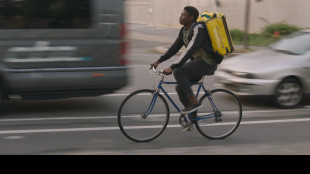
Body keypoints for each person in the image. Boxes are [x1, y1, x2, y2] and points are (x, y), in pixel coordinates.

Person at [150, 6, 220, 116]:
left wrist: (173, 67)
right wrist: (159, 61)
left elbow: (189, 50)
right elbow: (174, 48)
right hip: (197, 64)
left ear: (191, 18)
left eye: (183, 15)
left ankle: (194, 101)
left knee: (178, 71)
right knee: (180, 87)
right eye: (181, 14)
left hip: (207, 63)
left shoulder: (198, 29)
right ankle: (192, 117)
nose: (180, 17)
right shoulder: (184, 31)